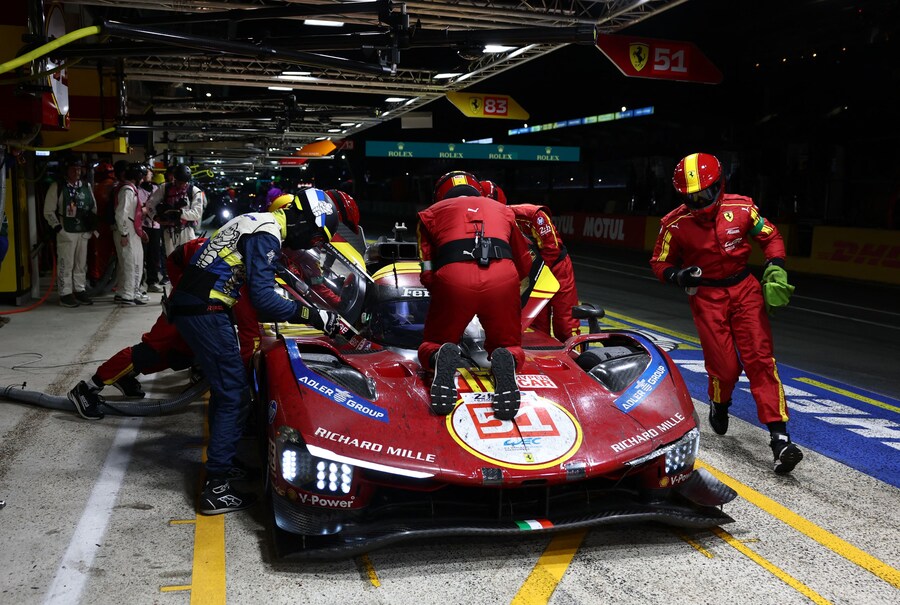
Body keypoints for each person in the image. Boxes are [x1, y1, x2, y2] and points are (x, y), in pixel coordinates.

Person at [167, 187, 339, 515]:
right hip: (206, 310)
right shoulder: (268, 233)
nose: (309, 245)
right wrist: (315, 316)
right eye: (316, 238)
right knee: (234, 394)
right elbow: (262, 299)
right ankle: (216, 487)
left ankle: (223, 461)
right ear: (305, 222)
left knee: (225, 391)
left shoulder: (258, 221)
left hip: (197, 306)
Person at [649, 152, 803, 475]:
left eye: (705, 194)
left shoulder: (743, 208)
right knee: (725, 367)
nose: (699, 202)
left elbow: (771, 235)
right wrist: (677, 276)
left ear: (720, 186)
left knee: (761, 360)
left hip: (745, 290)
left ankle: (780, 440)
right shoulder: (673, 224)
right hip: (706, 296)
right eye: (692, 197)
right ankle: (720, 402)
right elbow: (659, 262)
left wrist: (775, 265)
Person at [416, 171, 533, 421]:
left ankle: (441, 354)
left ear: (440, 193)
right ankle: (506, 359)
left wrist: (444, 295)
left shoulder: (430, 214)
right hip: (503, 275)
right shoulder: (503, 210)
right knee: (509, 343)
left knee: (434, 341)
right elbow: (524, 262)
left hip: (454, 276)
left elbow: (427, 270)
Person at [482, 180, 581, 342]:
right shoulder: (485, 224)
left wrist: (535, 277)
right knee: (535, 328)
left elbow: (553, 249)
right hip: (528, 273)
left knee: (565, 326)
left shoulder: (532, 215)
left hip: (556, 269)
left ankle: (580, 363)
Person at [42, 157, 98, 308]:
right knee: (66, 263)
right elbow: (48, 211)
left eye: (79, 169)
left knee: (81, 264)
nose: (77, 171)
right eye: (73, 168)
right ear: (66, 170)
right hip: (66, 230)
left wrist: (91, 227)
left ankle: (79, 289)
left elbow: (93, 207)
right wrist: (59, 229)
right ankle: (65, 293)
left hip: (83, 231)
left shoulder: (86, 186)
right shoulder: (58, 186)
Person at [146, 163, 205, 256]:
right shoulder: (165, 188)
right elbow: (150, 204)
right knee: (171, 259)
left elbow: (197, 213)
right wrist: (155, 217)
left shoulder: (194, 191)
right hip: (168, 231)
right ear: (175, 178)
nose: (181, 185)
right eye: (179, 181)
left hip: (187, 230)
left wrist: (180, 213)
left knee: (188, 258)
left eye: (184, 182)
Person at [113, 163, 150, 306]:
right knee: (132, 263)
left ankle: (123, 292)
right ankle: (129, 295)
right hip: (127, 231)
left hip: (130, 230)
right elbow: (121, 214)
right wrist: (124, 234)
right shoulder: (128, 190)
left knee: (126, 263)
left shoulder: (128, 189)